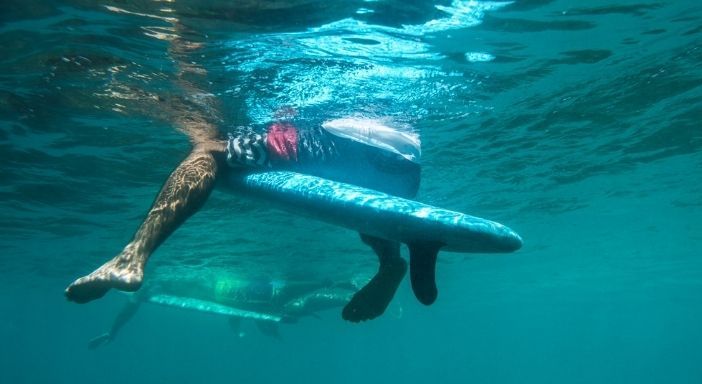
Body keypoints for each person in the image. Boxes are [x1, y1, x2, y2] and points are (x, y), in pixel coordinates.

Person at [64, 18, 437, 323]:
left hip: (345, 141)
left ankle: (132, 257)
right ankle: (390, 258)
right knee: (359, 198)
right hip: (406, 167)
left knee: (210, 149)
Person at [87, 275, 360, 349]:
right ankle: (346, 290)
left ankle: (343, 288)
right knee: (291, 302)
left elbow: (132, 304)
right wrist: (112, 331)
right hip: (241, 294)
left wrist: (113, 331)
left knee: (289, 299)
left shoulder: (157, 283)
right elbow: (227, 307)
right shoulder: (155, 284)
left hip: (244, 293)